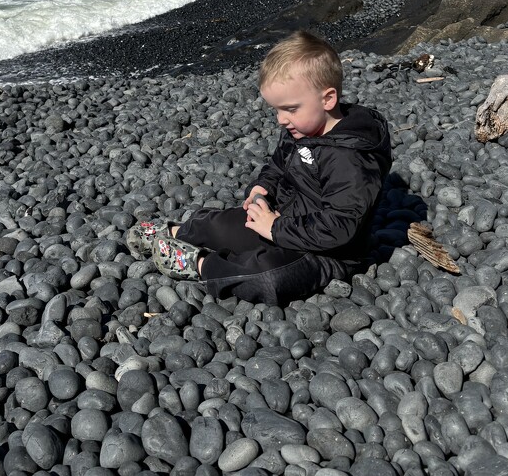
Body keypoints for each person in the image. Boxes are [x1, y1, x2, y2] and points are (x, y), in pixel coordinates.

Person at [126, 30, 392, 304]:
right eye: (276, 110)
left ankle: (202, 264)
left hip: (326, 252)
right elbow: (279, 164)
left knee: (267, 276)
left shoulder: (351, 157)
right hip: (283, 217)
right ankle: (176, 232)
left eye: (289, 109)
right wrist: (264, 186)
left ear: (328, 100)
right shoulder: (303, 128)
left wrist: (275, 228)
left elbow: (340, 225)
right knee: (222, 224)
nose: (281, 120)